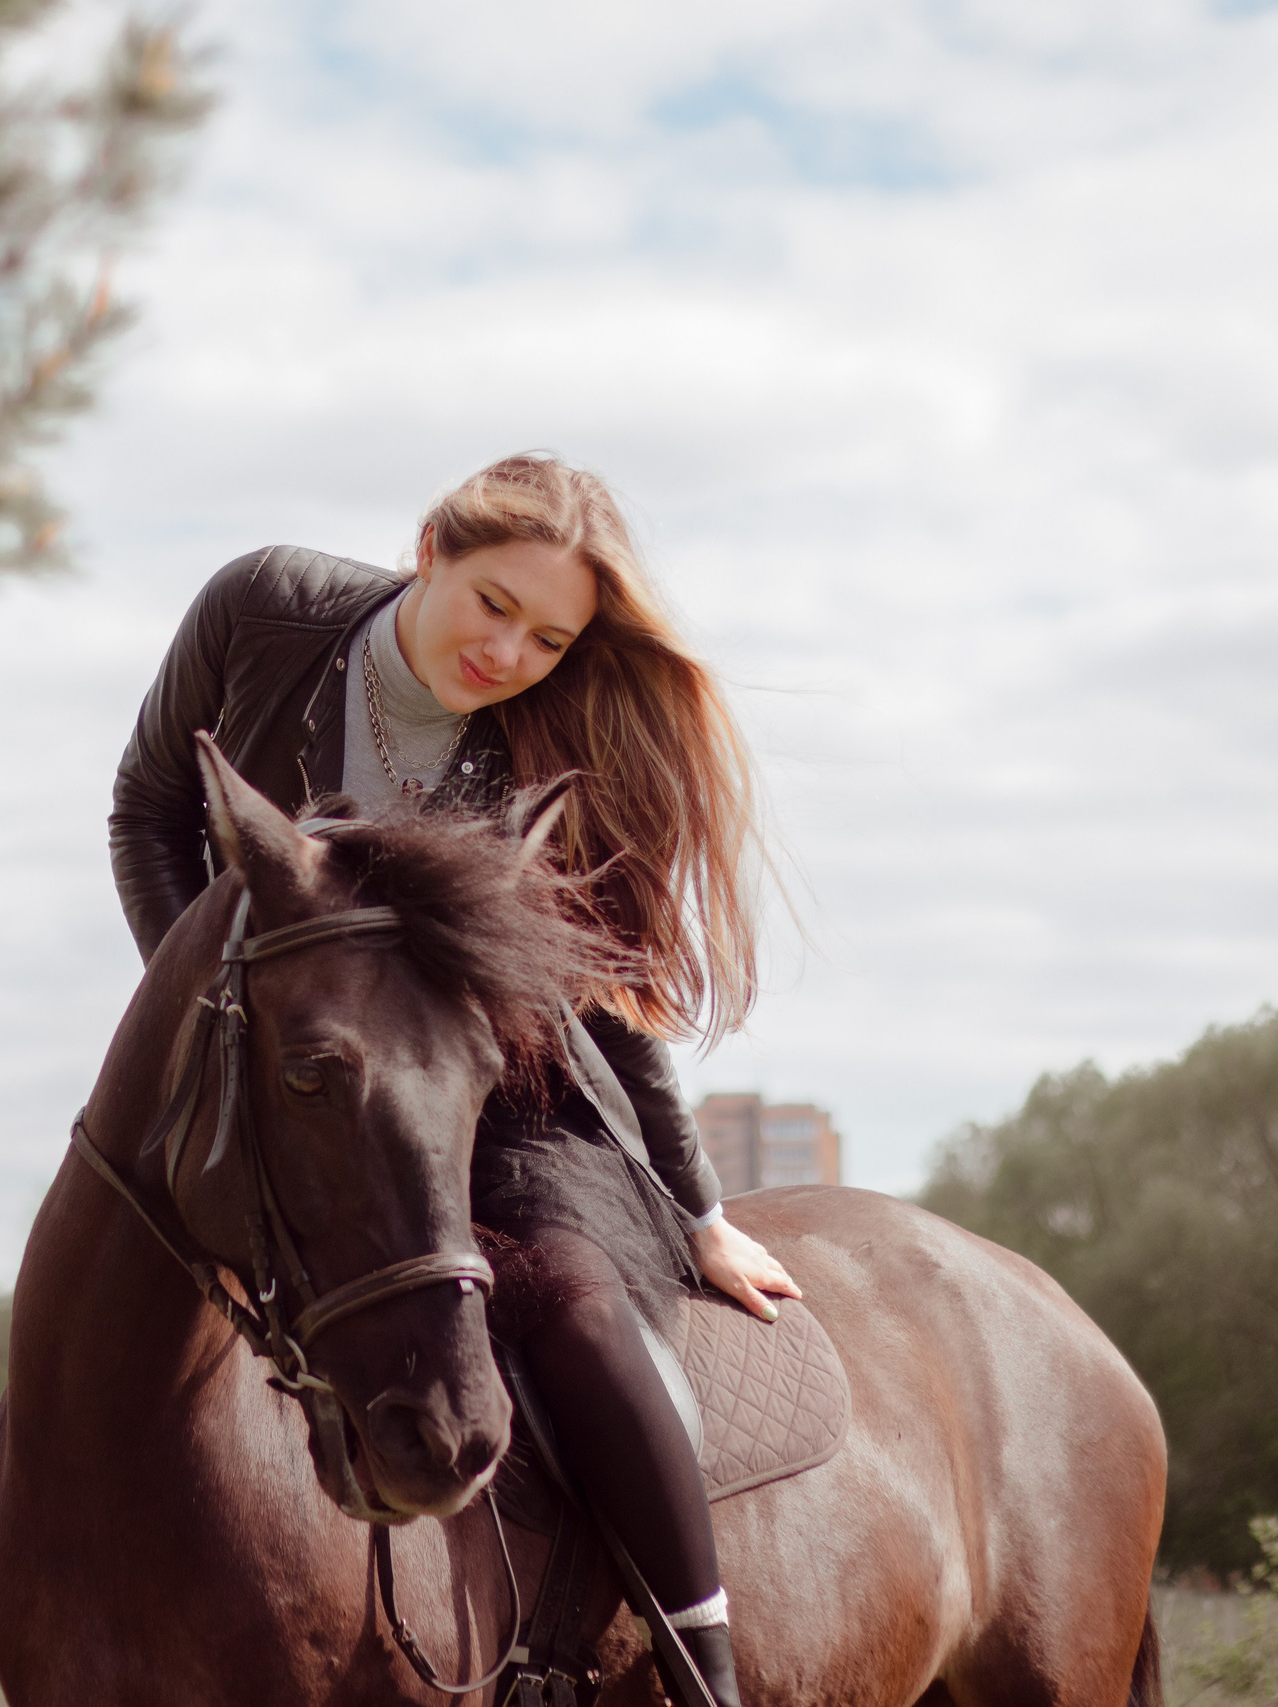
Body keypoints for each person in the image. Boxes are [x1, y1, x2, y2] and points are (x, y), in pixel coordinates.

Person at [108, 452, 799, 1707]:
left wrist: (697, 1213)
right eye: (494, 605)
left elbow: (604, 998)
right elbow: (148, 809)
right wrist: (227, 1029)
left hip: (506, 1086)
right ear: (431, 548)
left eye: (548, 638)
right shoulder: (262, 608)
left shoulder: (542, 746)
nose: (508, 654)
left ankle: (707, 1675)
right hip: (297, 1064)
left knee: (580, 1309)